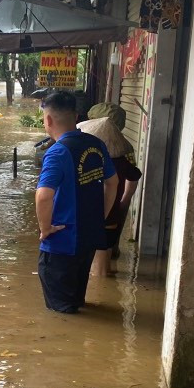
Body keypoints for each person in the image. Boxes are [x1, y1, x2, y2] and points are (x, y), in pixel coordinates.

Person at [35, 90, 118, 313]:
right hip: (88, 238)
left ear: (49, 120)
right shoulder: (96, 144)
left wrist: (45, 228)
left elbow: (43, 196)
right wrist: (100, 216)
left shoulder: (57, 152)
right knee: (76, 303)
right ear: (77, 116)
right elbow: (113, 182)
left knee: (60, 313)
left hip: (62, 241)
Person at [77, 107, 142, 277]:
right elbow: (133, 177)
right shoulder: (122, 157)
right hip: (111, 216)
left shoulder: (84, 156)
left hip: (87, 217)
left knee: (93, 269)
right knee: (103, 264)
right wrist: (124, 201)